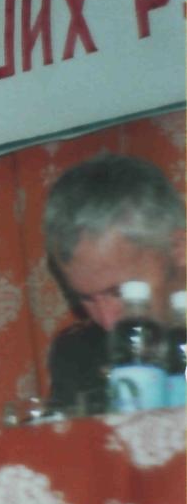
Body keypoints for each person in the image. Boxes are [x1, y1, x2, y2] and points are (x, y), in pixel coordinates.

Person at [41, 154, 186, 413]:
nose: (108, 322)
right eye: (86, 298)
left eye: (120, 292)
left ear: (178, 249)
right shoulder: (78, 355)